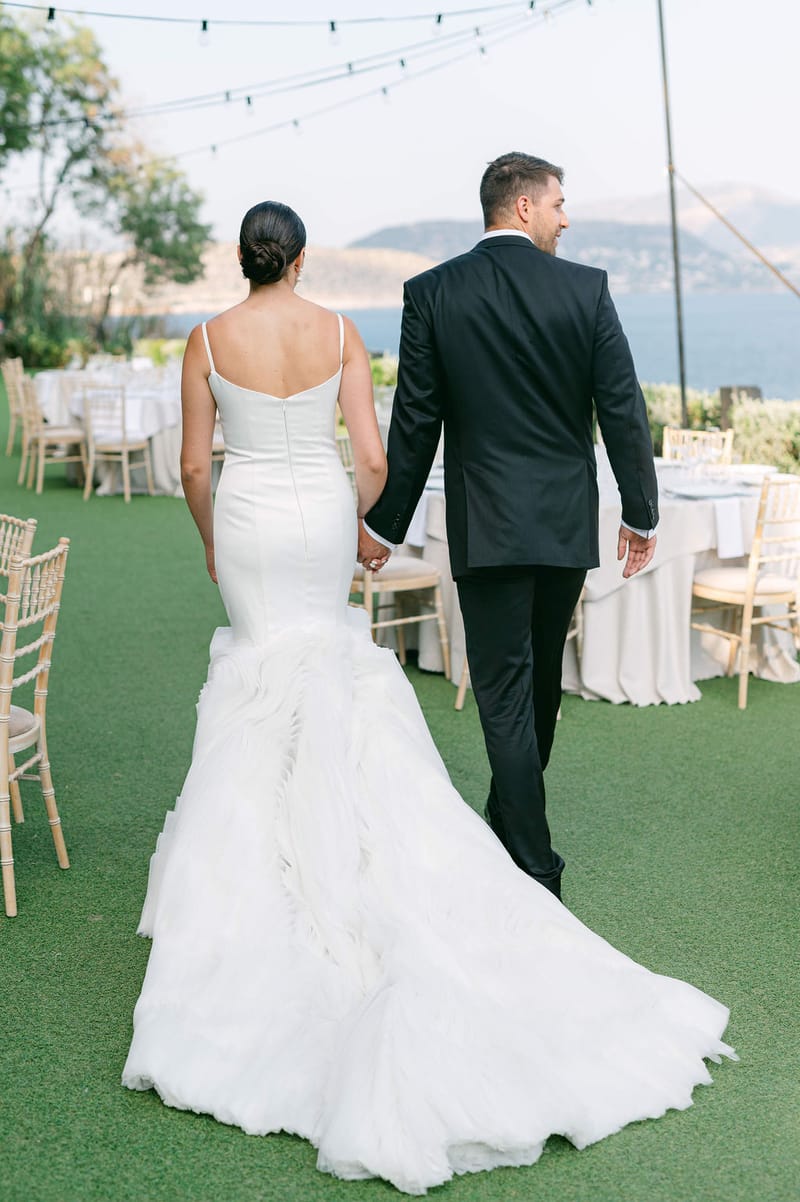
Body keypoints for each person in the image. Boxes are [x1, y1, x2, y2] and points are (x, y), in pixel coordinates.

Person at [123, 200, 733, 1197]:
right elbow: (372, 455)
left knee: (260, 678)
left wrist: (208, 533)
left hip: (247, 518)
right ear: (301, 258)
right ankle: (374, 854)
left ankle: (260, 881)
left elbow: (195, 463)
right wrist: (363, 521)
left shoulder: (205, 338)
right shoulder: (339, 333)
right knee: (326, 665)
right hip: (322, 517)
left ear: (242, 259)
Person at [360, 152, 659, 900]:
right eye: (558, 204)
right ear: (523, 207)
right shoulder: (586, 289)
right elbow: (622, 406)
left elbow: (415, 423)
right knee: (539, 683)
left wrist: (384, 525)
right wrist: (640, 511)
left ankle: (531, 861)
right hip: (562, 524)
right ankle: (522, 837)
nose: (566, 218)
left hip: (488, 523)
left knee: (506, 693)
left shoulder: (433, 293)